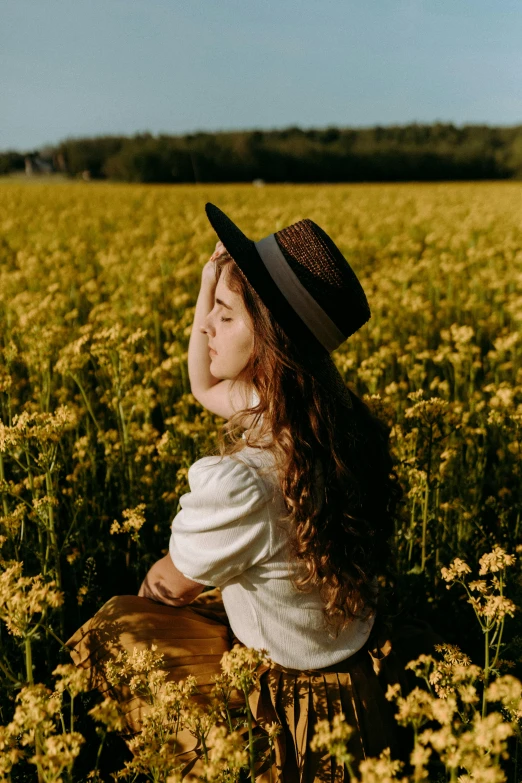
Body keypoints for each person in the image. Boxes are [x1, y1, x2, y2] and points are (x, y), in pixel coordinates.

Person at [66, 204, 419, 782]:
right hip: (353, 683)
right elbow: (204, 382)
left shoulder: (245, 482)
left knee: (117, 627)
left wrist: (149, 591)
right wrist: (212, 285)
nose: (206, 325)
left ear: (269, 344)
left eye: (224, 317)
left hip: (296, 713)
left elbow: (172, 586)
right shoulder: (326, 421)